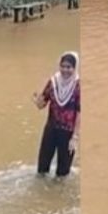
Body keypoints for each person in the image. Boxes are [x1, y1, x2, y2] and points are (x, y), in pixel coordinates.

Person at [32, 51, 80, 179]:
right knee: (42, 169)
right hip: (51, 129)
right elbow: (42, 104)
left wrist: (75, 137)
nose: (65, 70)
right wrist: (37, 102)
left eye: (69, 67)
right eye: (63, 66)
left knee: (62, 174)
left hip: (68, 132)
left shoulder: (78, 86)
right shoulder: (53, 82)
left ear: (74, 68)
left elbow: (80, 112)